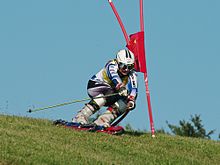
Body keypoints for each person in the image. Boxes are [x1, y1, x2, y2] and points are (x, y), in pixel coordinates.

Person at [72, 49, 138, 129]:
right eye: (123, 66)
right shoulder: (111, 65)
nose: (126, 69)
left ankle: (102, 121)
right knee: (108, 91)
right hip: (96, 86)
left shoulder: (132, 73)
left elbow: (134, 88)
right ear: (118, 62)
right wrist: (121, 87)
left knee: (125, 101)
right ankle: (80, 116)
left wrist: (131, 100)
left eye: (130, 66)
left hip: (112, 93)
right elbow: (113, 76)